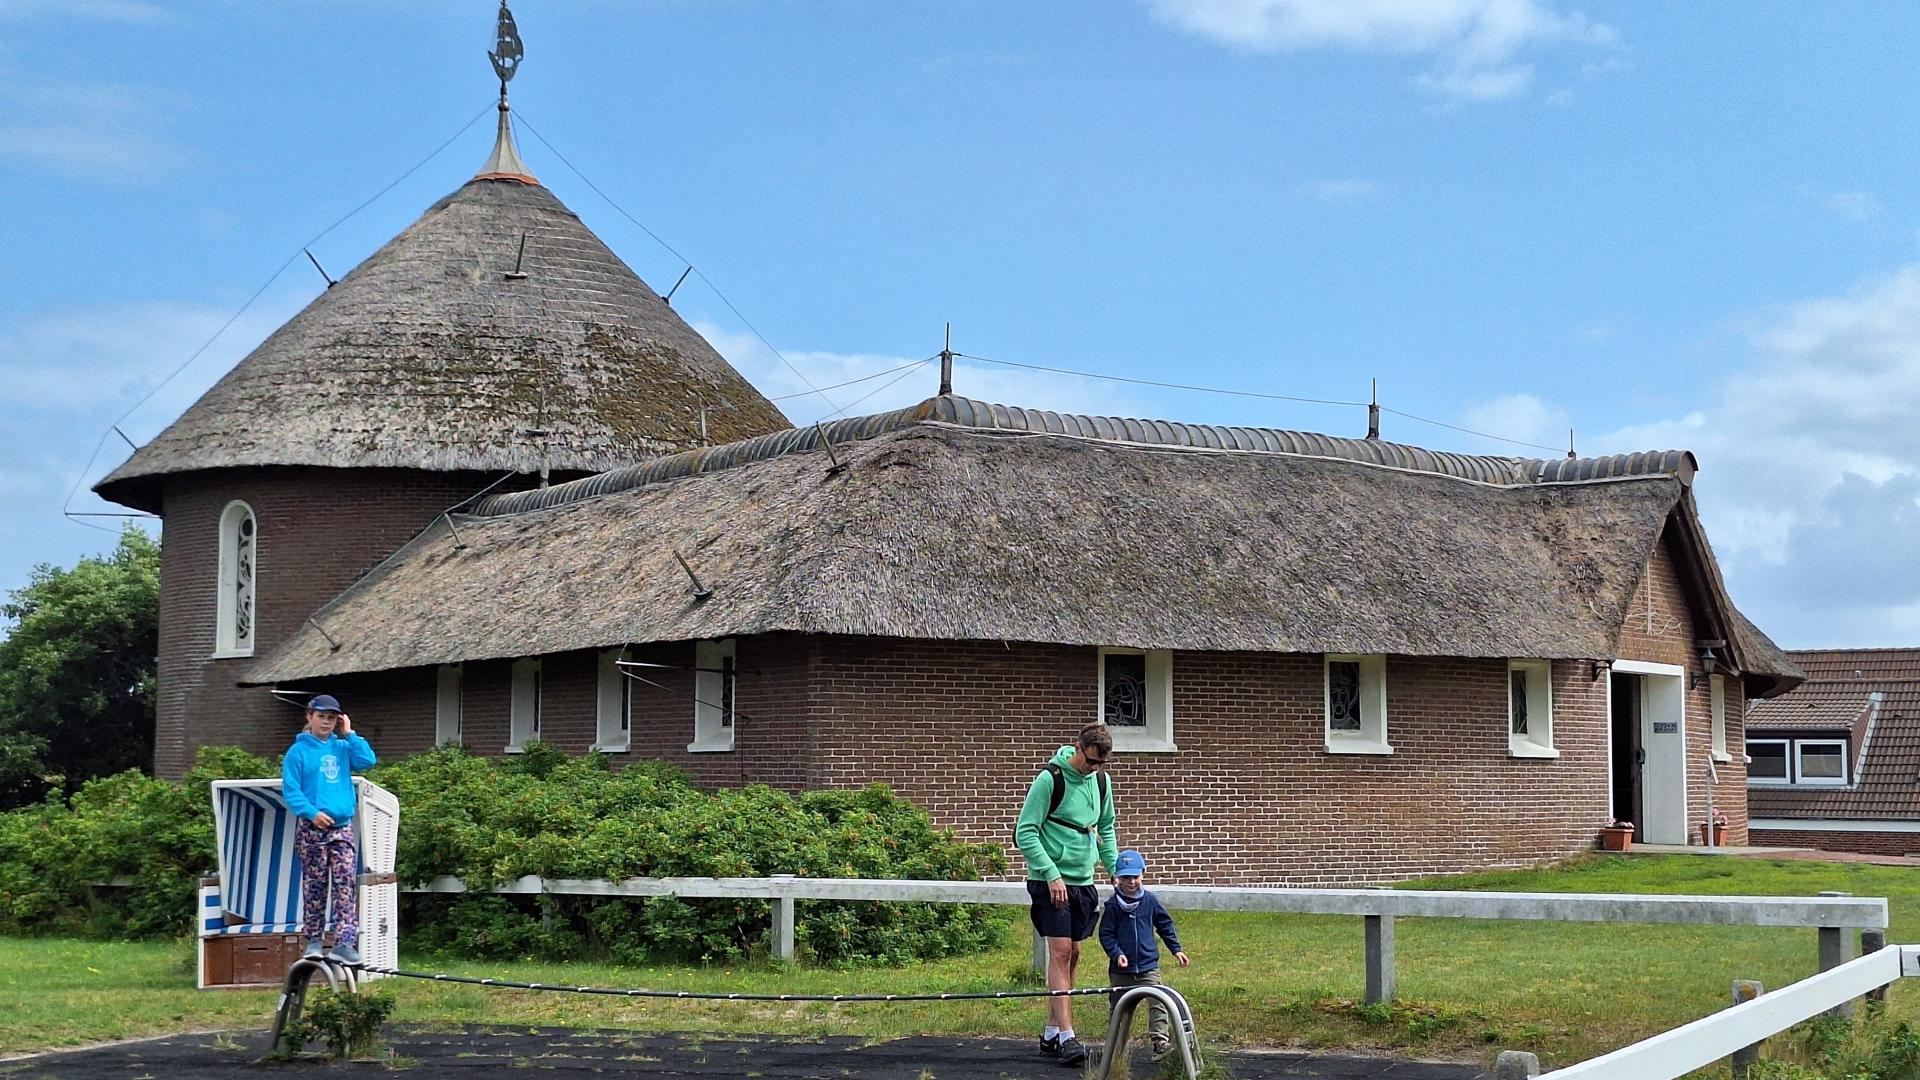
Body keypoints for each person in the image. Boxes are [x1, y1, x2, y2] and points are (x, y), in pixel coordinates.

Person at [1014, 724, 1118, 1067]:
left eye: (1101, 764)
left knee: (1073, 954)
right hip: (1051, 881)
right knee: (1059, 953)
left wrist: (1114, 868)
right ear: (1079, 748)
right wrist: (1051, 873)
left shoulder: (1101, 782)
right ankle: (1069, 1037)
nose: (1094, 769)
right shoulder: (1050, 779)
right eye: (1090, 762)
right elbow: (1025, 832)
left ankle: (1051, 1032)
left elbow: (1106, 827)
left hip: (1082, 879)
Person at [282, 694, 377, 965]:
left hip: (342, 827)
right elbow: (291, 790)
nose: (326, 722)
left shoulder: (343, 748)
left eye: (332, 718)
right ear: (309, 717)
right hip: (312, 829)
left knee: (345, 881)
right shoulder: (297, 752)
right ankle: (313, 941)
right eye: (322, 716)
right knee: (315, 884)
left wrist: (350, 734)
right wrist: (311, 813)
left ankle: (344, 942)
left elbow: (368, 760)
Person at [1098, 848, 1190, 1061]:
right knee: (1120, 1009)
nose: (1131, 882)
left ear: (1143, 874)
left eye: (1135, 877)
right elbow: (1106, 934)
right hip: (1122, 970)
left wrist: (1176, 949)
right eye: (1126, 878)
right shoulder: (1113, 906)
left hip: (1148, 966)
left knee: (1159, 1002)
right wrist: (1116, 953)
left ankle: (1160, 1042)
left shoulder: (1149, 901)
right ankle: (1115, 1050)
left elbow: (1165, 924)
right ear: (1117, 879)